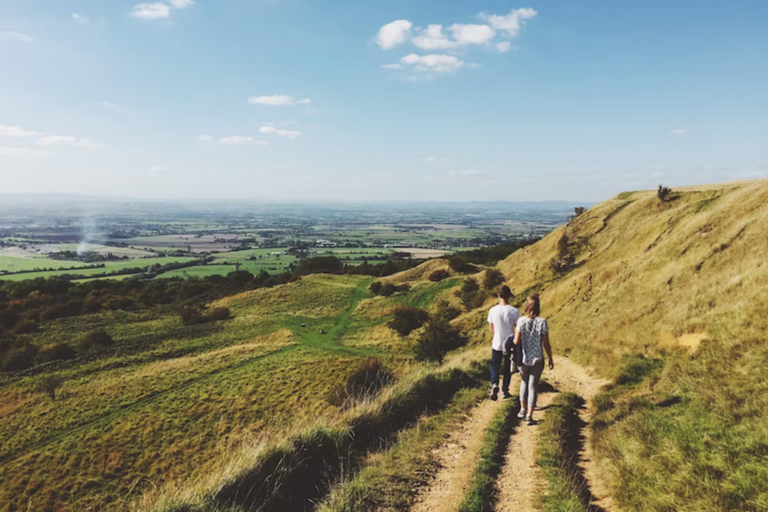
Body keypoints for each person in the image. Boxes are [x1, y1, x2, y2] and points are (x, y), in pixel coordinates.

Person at [512, 295, 553, 425]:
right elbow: (546, 343)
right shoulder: (542, 322)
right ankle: (529, 415)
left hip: (524, 358)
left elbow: (516, 341)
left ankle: (522, 409)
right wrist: (550, 358)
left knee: (524, 382)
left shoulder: (521, 321)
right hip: (537, 359)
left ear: (526, 306)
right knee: (533, 386)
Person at [487, 285, 519, 401]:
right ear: (509, 296)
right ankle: (505, 390)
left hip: (497, 342)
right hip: (509, 343)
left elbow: (491, 328)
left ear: (499, 295)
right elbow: (518, 328)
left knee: (495, 366)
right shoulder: (514, 311)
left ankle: (495, 384)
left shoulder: (492, 310)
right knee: (507, 368)